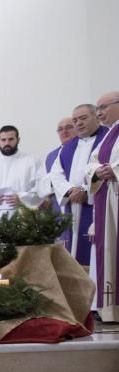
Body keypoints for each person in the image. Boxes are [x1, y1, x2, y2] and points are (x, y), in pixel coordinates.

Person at [49, 104, 108, 266]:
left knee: (100, 260)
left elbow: (108, 170)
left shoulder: (108, 140)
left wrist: (86, 191)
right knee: (76, 256)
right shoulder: (67, 147)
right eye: (75, 120)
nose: (78, 123)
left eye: (83, 118)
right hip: (74, 206)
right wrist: (69, 190)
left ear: (96, 117)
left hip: (98, 205)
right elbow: (56, 174)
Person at [85, 90, 119, 322]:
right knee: (109, 251)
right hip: (108, 202)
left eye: (103, 107)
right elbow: (91, 164)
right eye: (97, 109)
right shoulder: (108, 135)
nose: (100, 113)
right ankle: (111, 308)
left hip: (114, 196)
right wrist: (98, 171)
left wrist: (114, 170)